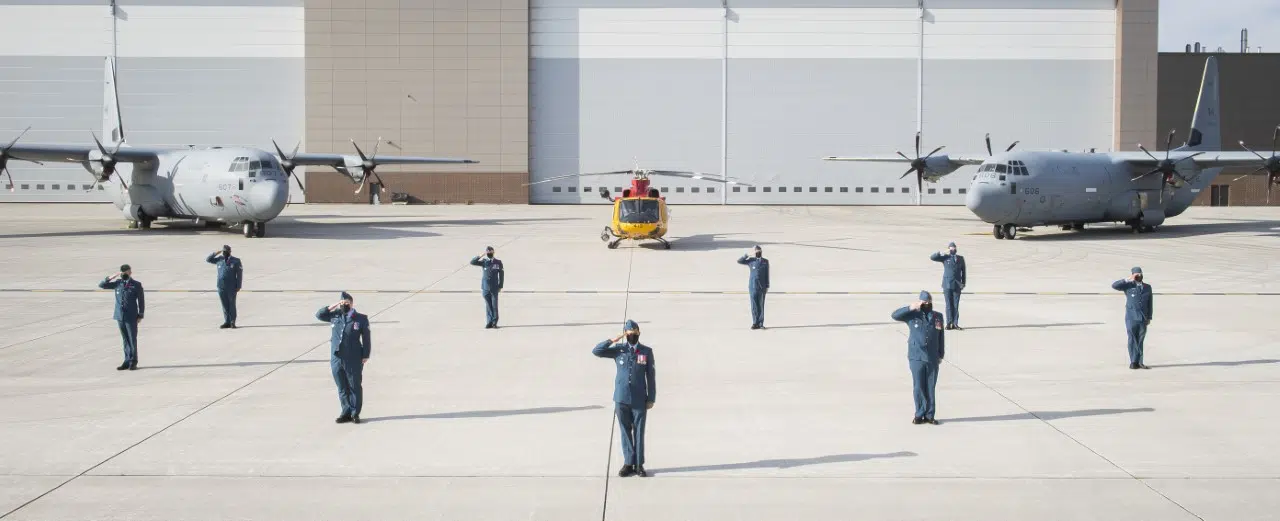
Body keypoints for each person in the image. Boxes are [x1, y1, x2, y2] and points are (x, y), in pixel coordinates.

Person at [593, 320, 656, 477]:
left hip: (639, 399)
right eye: (629, 335)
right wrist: (612, 340)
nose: (632, 337)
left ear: (638, 334)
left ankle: (639, 464)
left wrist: (651, 398)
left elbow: (651, 376)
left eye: (634, 334)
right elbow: (597, 351)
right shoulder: (619, 350)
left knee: (639, 431)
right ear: (625, 335)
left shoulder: (646, 352)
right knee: (625, 431)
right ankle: (628, 462)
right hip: (621, 398)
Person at [317, 292, 371, 424]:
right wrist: (334, 305)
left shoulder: (360, 318)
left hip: (353, 357)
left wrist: (365, 355)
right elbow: (319, 315)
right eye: (342, 303)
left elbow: (366, 338)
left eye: (346, 303)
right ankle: (345, 412)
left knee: (354, 386)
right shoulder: (335, 315)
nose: (344, 306)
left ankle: (355, 413)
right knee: (342, 386)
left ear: (352, 304)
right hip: (336, 358)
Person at [891, 291, 945, 425]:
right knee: (919, 386)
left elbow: (941, 337)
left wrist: (940, 354)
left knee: (930, 386)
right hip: (916, 356)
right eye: (923, 302)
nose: (926, 304)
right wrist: (911, 307)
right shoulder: (912, 315)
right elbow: (895, 315)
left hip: (932, 356)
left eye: (928, 302)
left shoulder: (938, 317)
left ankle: (930, 415)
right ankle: (919, 414)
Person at [98, 264, 144, 371]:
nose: (126, 274)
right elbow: (101, 285)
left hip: (131, 316)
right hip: (120, 316)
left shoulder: (136, 285)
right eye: (123, 272)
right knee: (125, 339)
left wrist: (140, 314)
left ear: (130, 272)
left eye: (127, 271)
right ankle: (126, 361)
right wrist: (113, 276)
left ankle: (133, 361)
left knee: (132, 339)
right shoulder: (118, 283)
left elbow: (141, 301)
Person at [1111, 267, 1153, 370]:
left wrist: (1149, 317)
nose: (1139, 276)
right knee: (1132, 339)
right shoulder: (1128, 286)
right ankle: (1133, 361)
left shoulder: (1147, 287)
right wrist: (1129, 279)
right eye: (1136, 274)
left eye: (1140, 274)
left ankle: (1140, 362)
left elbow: (1150, 303)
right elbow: (1114, 285)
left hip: (1143, 318)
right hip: (1131, 317)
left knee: (1140, 340)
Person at [929, 242, 967, 330]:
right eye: (951, 248)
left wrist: (963, 283)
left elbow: (964, 271)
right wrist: (941, 252)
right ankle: (949, 323)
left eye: (954, 248)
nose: (953, 249)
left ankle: (955, 323)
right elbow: (932, 257)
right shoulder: (945, 257)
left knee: (955, 305)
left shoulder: (960, 258)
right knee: (948, 305)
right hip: (947, 284)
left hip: (957, 285)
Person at [206, 244, 243, 329]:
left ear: (229, 252)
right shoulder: (219, 260)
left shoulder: (236, 261)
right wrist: (216, 253)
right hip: (221, 286)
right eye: (223, 252)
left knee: (232, 304)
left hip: (231, 286)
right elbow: (208, 259)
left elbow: (239, 274)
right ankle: (227, 321)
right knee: (224, 304)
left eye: (226, 252)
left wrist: (238, 286)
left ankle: (232, 322)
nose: (224, 253)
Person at [470, 246, 505, 328]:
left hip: (494, 287)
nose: (489, 253)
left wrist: (500, 286)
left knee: (494, 305)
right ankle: (489, 322)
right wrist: (481, 255)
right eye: (488, 252)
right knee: (488, 305)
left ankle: (494, 322)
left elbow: (502, 275)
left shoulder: (498, 262)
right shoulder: (484, 262)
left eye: (490, 252)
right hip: (485, 288)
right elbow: (472, 262)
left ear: (493, 252)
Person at [737, 245, 770, 329]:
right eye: (756, 251)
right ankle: (755, 323)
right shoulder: (751, 261)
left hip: (762, 287)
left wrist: (767, 286)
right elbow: (739, 261)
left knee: (761, 305)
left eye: (759, 251)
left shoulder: (765, 261)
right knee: (754, 305)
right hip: (752, 286)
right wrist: (747, 255)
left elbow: (767, 274)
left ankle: (761, 323)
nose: (758, 252)